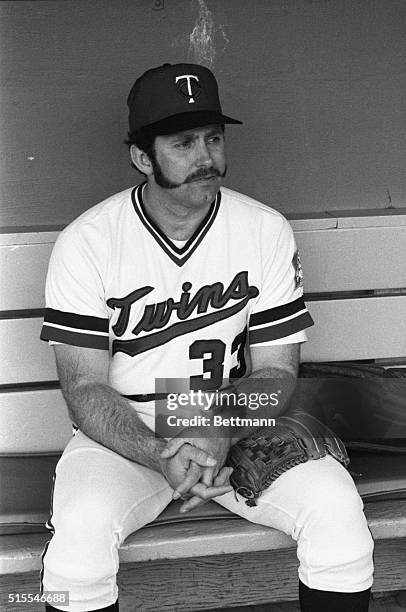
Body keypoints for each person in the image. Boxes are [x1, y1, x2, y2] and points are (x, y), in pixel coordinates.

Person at [40, 62, 374, 612]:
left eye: (213, 138)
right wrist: (156, 451)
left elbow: (276, 370)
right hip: (125, 434)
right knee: (77, 552)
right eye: (183, 142)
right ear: (142, 157)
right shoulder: (89, 241)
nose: (206, 157)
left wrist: (217, 426)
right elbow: (84, 390)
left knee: (338, 514)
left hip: (228, 421)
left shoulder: (261, 228)